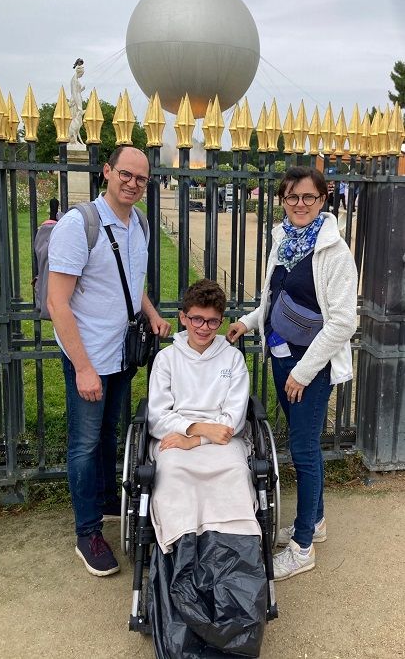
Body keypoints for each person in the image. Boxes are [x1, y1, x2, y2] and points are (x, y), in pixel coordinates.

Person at [228, 167, 358, 581]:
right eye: (292, 197)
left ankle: (302, 548)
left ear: (323, 200)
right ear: (282, 200)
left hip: (309, 368)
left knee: (303, 452)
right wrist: (248, 323)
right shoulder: (283, 240)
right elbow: (273, 297)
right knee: (306, 449)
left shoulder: (334, 252)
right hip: (282, 359)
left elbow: (342, 323)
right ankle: (314, 523)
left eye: (309, 197)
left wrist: (302, 372)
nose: (300, 204)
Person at [47, 145, 171, 577]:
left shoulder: (140, 223)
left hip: (121, 355)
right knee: (84, 443)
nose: (133, 183)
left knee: (108, 433)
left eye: (141, 177)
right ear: (107, 172)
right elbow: (57, 302)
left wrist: (151, 314)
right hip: (88, 354)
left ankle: (101, 499)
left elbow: (130, 283)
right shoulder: (79, 225)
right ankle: (87, 532)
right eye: (126, 174)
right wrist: (83, 368)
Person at [147, 279, 267, 658]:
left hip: (220, 444)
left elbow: (232, 418)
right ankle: (184, 564)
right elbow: (156, 416)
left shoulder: (231, 359)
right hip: (178, 441)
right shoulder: (167, 358)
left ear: (220, 322)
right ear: (183, 318)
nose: (203, 328)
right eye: (196, 319)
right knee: (173, 480)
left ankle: (229, 565)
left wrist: (195, 438)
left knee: (234, 477)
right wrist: (194, 429)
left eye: (212, 321)